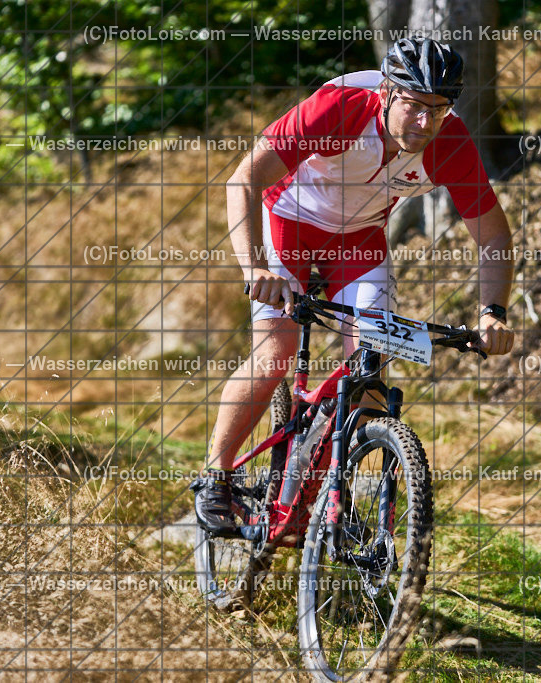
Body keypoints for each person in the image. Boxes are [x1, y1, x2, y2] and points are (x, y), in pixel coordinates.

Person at [193, 38, 515, 533]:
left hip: (359, 242)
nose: (426, 123)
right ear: (387, 92)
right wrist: (255, 267)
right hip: (287, 223)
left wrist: (493, 311)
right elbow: (244, 179)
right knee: (276, 350)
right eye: (414, 107)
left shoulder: (450, 142)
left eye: (440, 109)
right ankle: (215, 473)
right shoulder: (338, 109)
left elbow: (492, 235)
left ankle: (324, 500)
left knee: (368, 370)